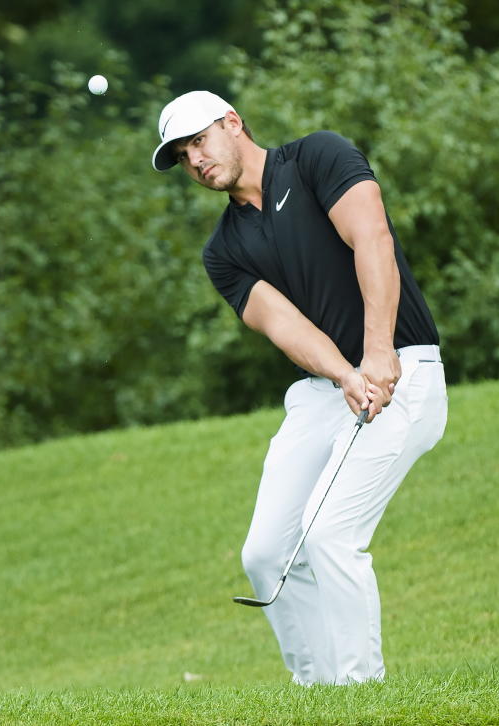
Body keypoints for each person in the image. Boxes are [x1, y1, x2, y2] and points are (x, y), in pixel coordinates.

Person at [151, 90, 448, 685]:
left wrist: (377, 351)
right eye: (183, 155)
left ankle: (359, 692)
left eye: (200, 141)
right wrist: (345, 374)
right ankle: (316, 692)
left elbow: (374, 241)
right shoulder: (224, 251)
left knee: (331, 533)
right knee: (265, 554)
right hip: (325, 391)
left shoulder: (318, 158)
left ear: (232, 123)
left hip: (405, 367)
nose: (196, 160)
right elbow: (284, 324)